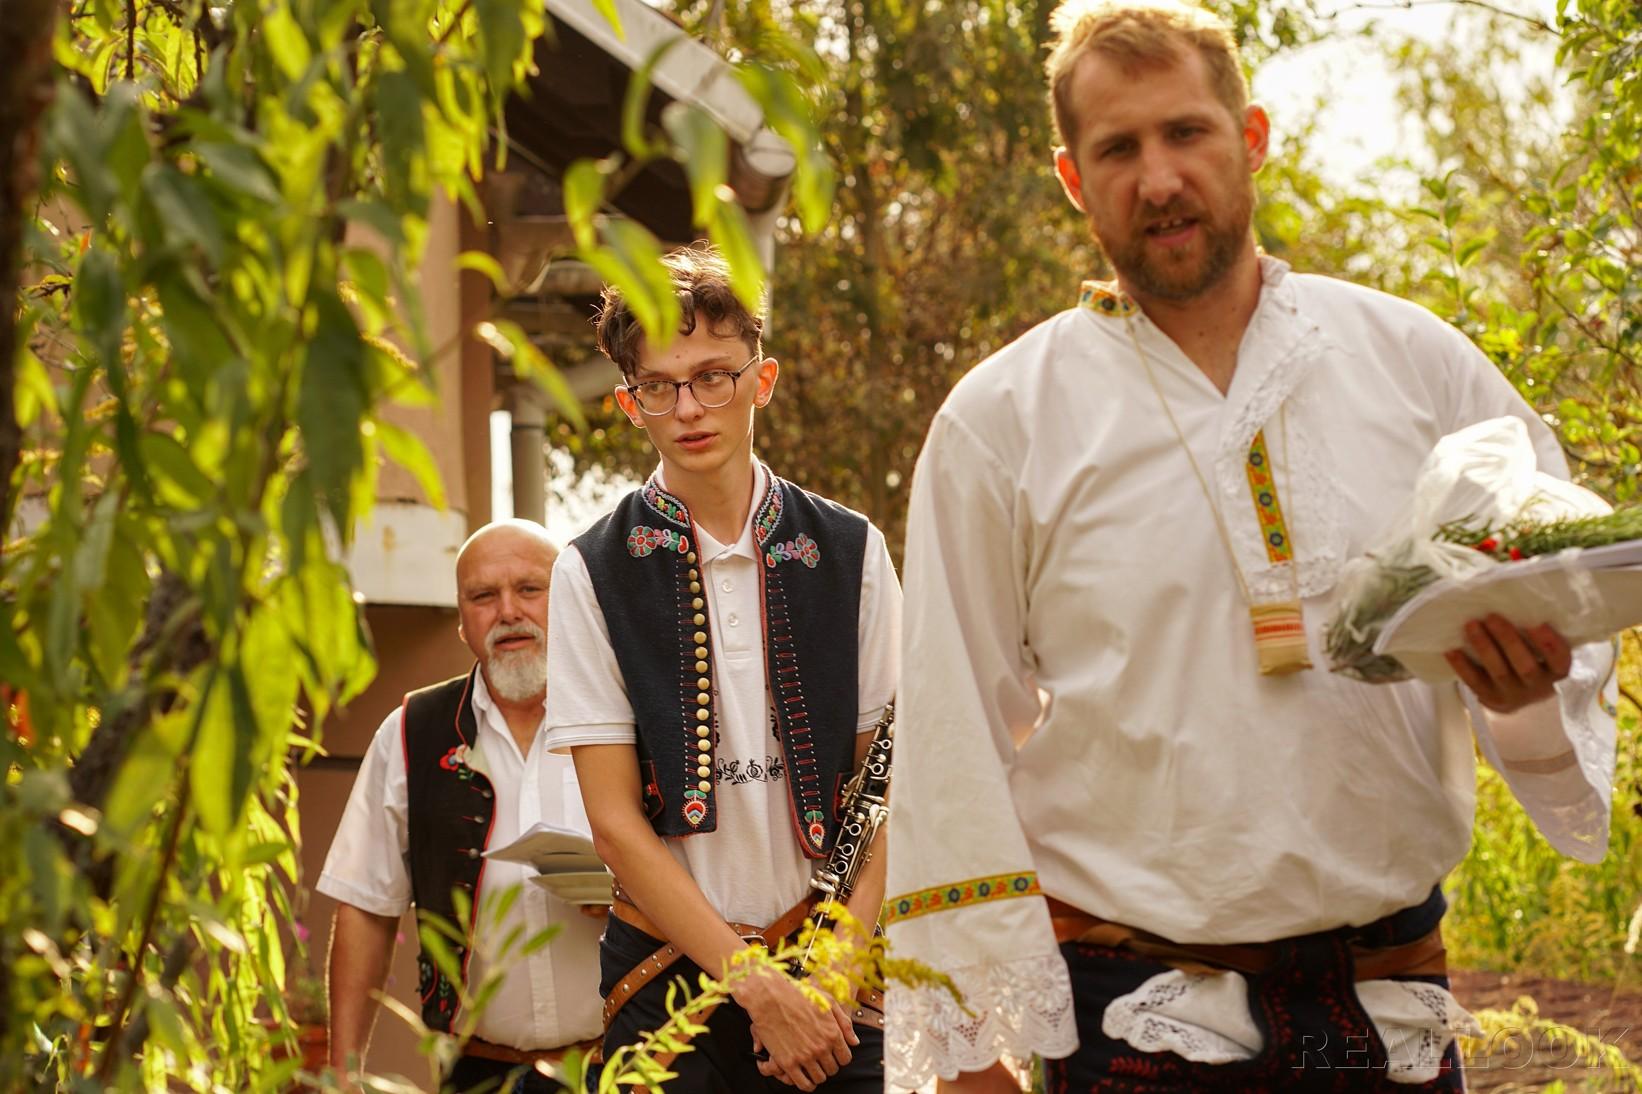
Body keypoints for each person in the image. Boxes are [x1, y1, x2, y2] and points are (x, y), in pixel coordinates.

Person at [881, 2, 1617, 1091]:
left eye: (1187, 133)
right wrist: (968, 1054)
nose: (1159, 179)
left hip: (1392, 1002)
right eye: (1117, 150)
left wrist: (1518, 694)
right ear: (1073, 180)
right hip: (1137, 1018)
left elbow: (1556, 586)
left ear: (1252, 137)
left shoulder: (1415, 365)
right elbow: (950, 735)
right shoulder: (1003, 421)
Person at [545, 243, 901, 1094]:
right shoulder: (590, 570)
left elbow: (890, 788)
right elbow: (613, 823)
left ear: (761, 380)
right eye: (658, 387)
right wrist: (757, 987)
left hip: (834, 975)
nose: (689, 408)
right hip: (664, 979)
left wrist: (834, 974)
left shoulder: (851, 550)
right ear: (629, 404)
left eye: (713, 377)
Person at [318, 520, 604, 1093]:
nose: (508, 611)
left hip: (627, 1065)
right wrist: (343, 1076)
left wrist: (623, 896)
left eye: (529, 589)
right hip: (476, 1072)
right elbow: (366, 907)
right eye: (483, 596)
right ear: (461, 620)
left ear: (571, 602)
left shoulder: (622, 717)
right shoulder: (411, 733)